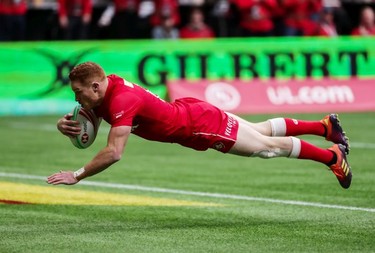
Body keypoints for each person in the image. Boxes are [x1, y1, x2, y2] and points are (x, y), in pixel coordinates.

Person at [47, 62, 352, 189]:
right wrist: (71, 126)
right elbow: (97, 114)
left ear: (97, 87)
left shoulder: (122, 100)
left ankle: (332, 157)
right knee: (261, 131)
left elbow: (114, 152)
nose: (77, 98)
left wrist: (77, 174)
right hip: (193, 110)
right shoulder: (107, 86)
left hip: (198, 126)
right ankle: (324, 126)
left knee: (268, 148)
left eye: (79, 93)